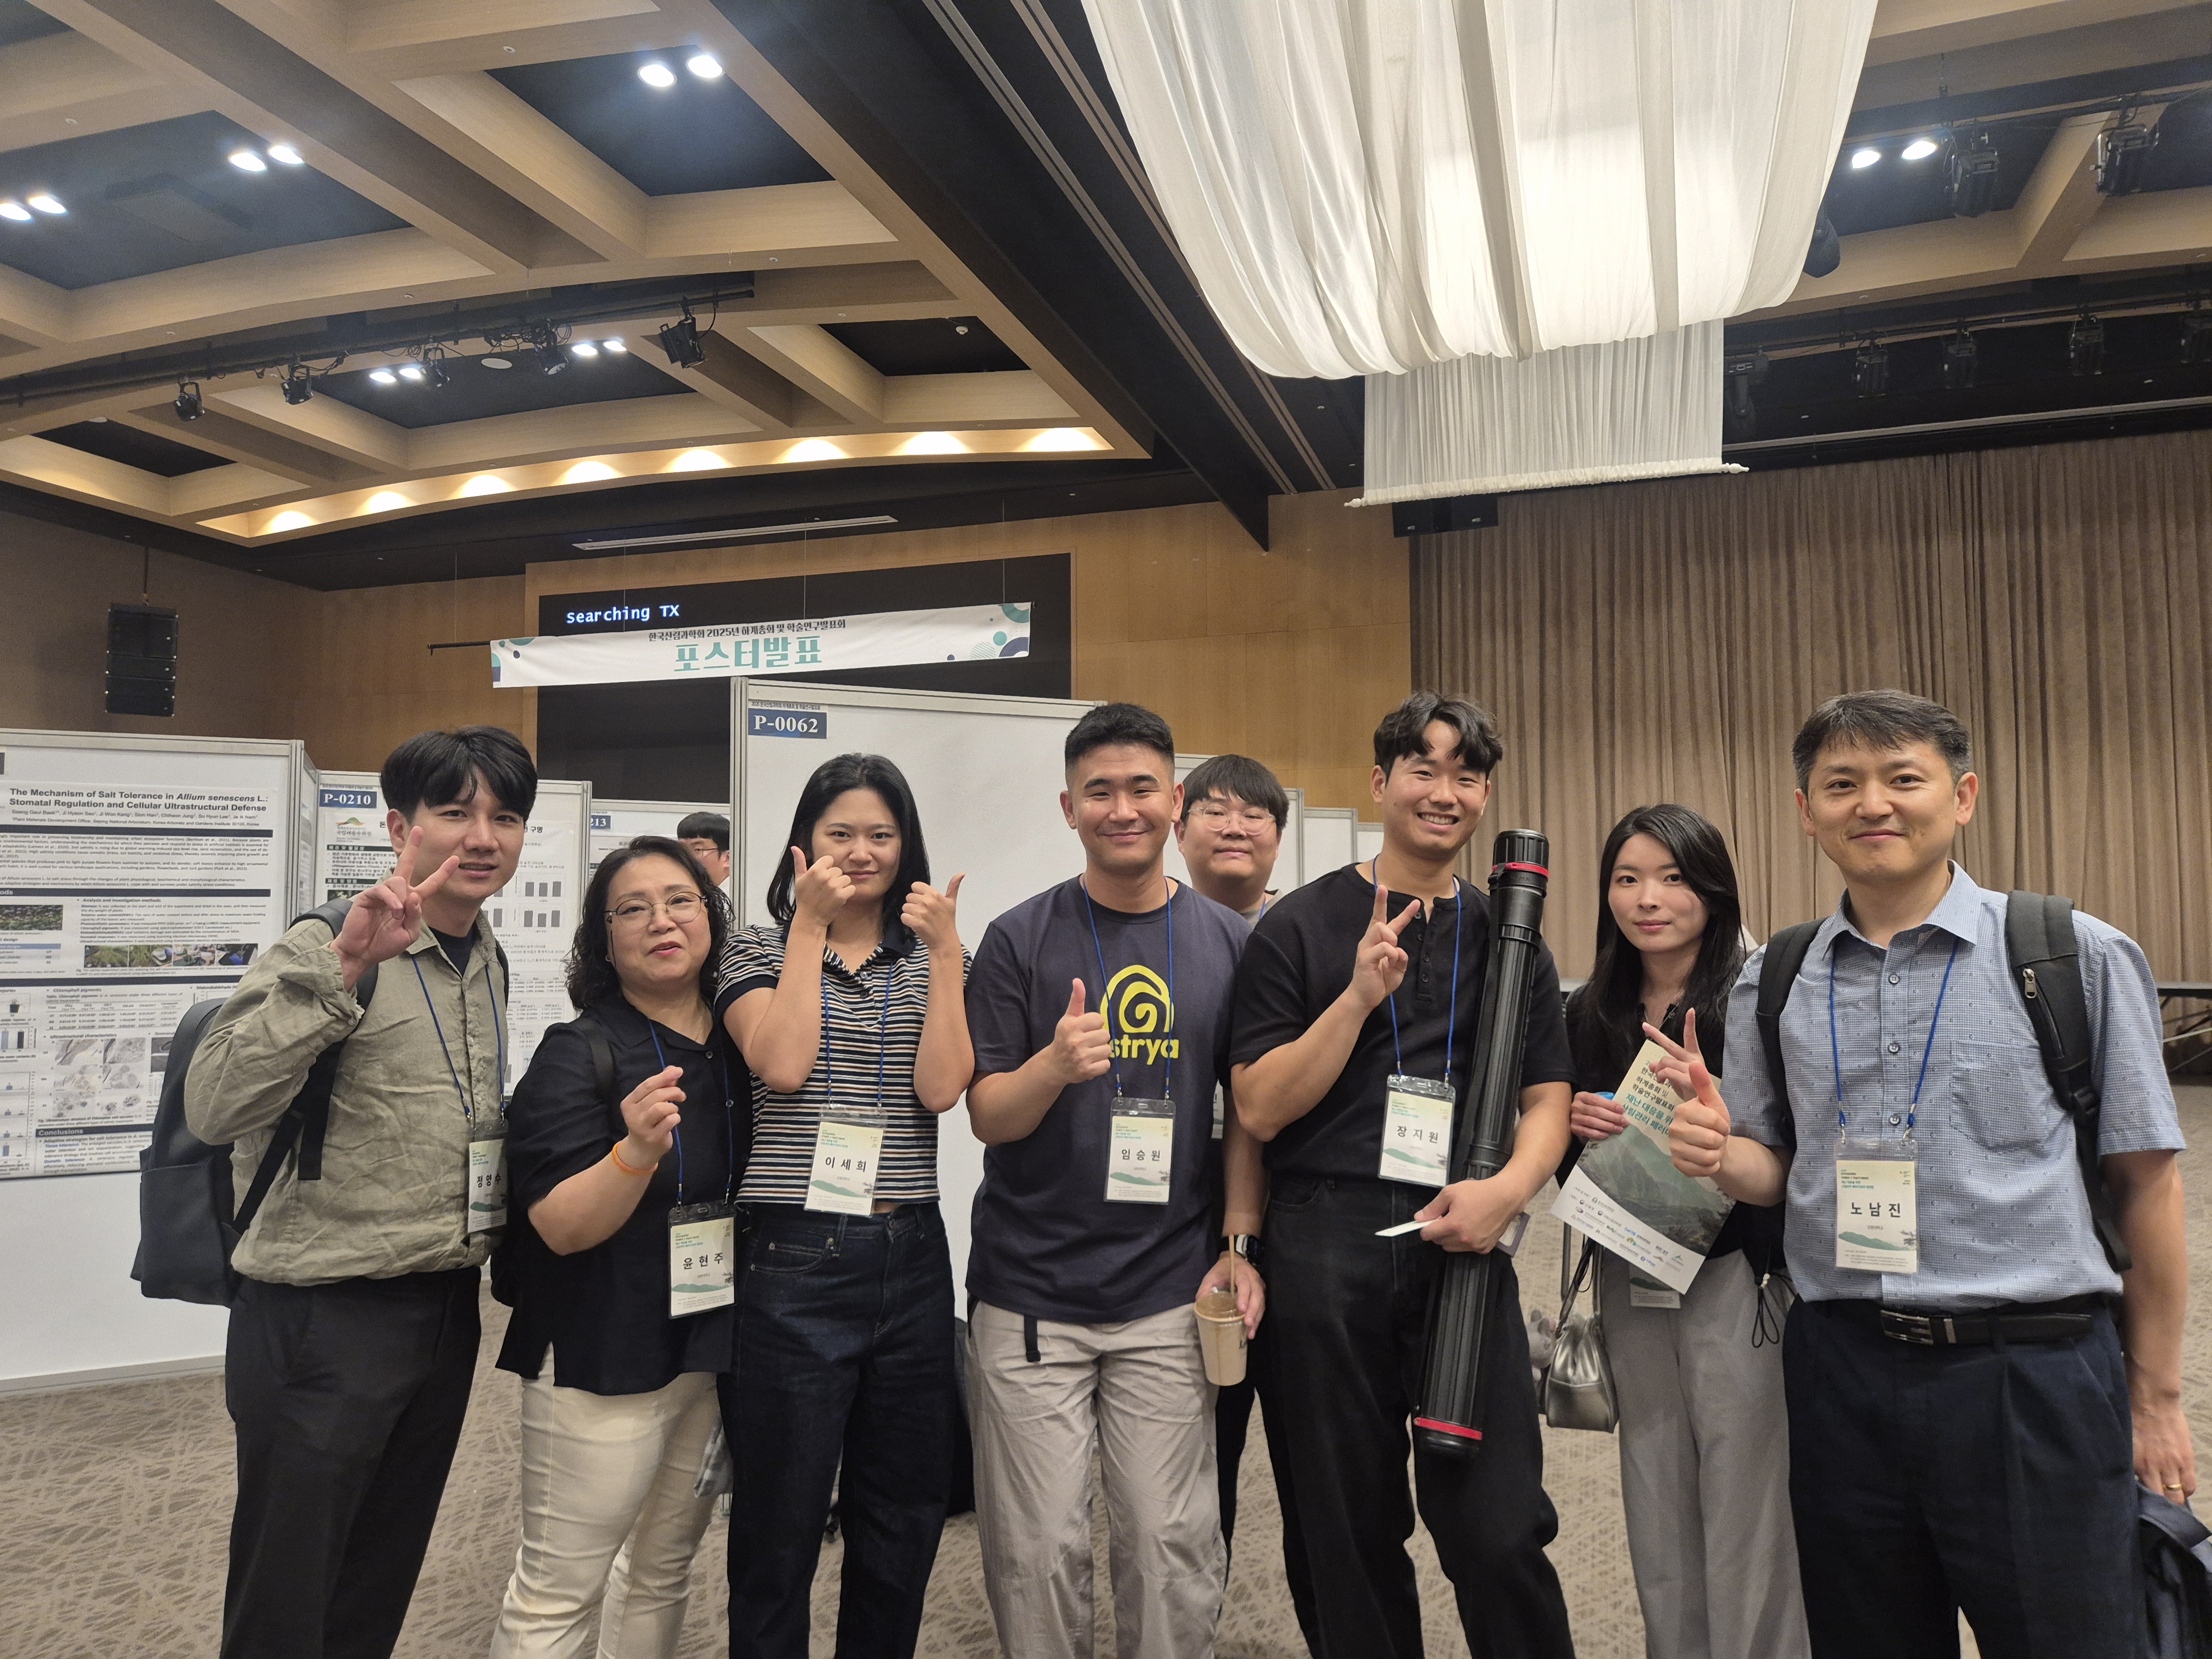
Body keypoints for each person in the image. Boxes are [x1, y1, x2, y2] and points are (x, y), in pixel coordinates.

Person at [1659, 689, 2190, 1659]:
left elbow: (2148, 1184)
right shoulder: (1777, 975)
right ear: (1806, 810)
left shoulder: (2072, 954)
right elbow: (1773, 1170)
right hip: (1841, 1370)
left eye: (1903, 778)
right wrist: (1716, 1151)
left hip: (2029, 1371)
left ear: (1963, 796)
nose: (1873, 804)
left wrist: (2156, 1398)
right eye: (1842, 785)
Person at [1229, 691, 1576, 1659]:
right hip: (1324, 1239)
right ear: (1381, 783)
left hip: (1465, 1229)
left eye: (1466, 774)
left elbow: (1547, 1098)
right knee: (1347, 1525)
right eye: (1423, 768)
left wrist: (1509, 1193)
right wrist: (1354, 999)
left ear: (1485, 796)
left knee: (1500, 1527)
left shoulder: (1511, 934)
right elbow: (1258, 1108)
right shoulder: (1299, 926)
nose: (1444, 791)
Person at [186, 726, 534, 1659]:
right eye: (454, 812)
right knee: (287, 1595)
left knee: (377, 1576)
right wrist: (342, 968)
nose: (482, 837)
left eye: (505, 818)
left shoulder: (486, 958)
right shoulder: (329, 940)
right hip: (322, 1317)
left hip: (443, 1308)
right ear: (399, 828)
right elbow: (215, 1106)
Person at [964, 702, 1265, 1659]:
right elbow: (987, 1114)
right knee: (1038, 1551)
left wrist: (1238, 1244)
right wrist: (1053, 1067)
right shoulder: (1018, 938)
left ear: (1176, 802)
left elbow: (1249, 1114)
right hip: (1032, 1294)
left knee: (1171, 1543)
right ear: (1069, 808)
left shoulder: (1230, 942)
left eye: (1143, 788)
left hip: (1168, 1289)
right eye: (1100, 791)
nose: (1122, 808)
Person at [716, 754, 971, 1659]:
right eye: (841, 834)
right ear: (805, 844)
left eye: (881, 835)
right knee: (780, 1519)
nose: (862, 852)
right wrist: (808, 928)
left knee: (901, 1513)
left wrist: (947, 954)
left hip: (911, 1251)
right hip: (793, 1258)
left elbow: (942, 1090)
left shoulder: (936, 958)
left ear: (907, 846)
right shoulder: (753, 949)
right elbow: (782, 1065)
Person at [489, 836, 744, 1657]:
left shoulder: (741, 1042)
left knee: (663, 1570)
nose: (661, 922)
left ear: (711, 915)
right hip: (600, 1357)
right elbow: (561, 1227)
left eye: (680, 901)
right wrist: (634, 1151)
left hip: (705, 1346)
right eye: (632, 909)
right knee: (558, 1592)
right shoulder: (579, 1052)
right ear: (603, 941)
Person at [1563, 805, 1803, 1659]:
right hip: (1631, 1274)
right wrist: (1578, 1128)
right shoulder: (1591, 1010)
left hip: (1738, 1279)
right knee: (1655, 1489)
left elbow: (1795, 1153)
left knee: (1747, 1497)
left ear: (1713, 889)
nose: (1648, 899)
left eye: (1672, 878)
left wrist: (1724, 1132)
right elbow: (1573, 1169)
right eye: (1627, 879)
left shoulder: (1760, 998)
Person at [1171, 755, 1295, 1568]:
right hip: (1178, 1214)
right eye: (1214, 810)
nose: (1234, 827)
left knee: (1310, 1447)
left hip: (1296, 1217)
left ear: (1279, 838)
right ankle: (1190, 1607)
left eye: (1255, 815)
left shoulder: (1306, 937)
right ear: (1179, 827)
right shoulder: (1148, 934)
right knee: (1195, 1445)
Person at [679, 811, 732, 888]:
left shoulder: (741, 893)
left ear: (728, 858)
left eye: (698, 850)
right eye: (682, 849)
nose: (686, 857)